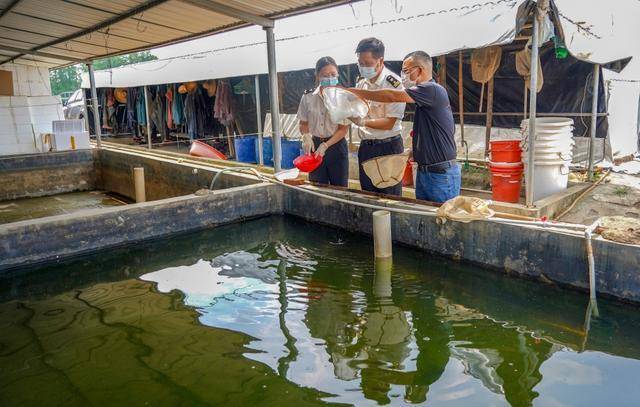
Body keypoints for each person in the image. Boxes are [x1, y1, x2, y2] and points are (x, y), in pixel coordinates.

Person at [349, 51, 459, 203]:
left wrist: (353, 92)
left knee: (441, 220)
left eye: (406, 71)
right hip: (425, 171)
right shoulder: (423, 99)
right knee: (424, 218)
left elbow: (391, 96)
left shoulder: (431, 89)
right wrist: (415, 150)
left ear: (419, 70)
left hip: (439, 174)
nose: (403, 76)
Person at [352, 37, 406, 196]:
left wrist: (363, 122)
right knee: (368, 195)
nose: (363, 68)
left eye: (367, 64)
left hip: (388, 147)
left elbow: (390, 122)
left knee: (389, 197)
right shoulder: (362, 84)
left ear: (380, 60)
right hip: (366, 147)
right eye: (360, 63)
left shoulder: (393, 84)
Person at [297, 56, 349, 187]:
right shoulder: (308, 97)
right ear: (317, 76)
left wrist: (326, 145)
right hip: (315, 147)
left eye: (333, 74)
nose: (330, 78)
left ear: (338, 74)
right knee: (317, 187)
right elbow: (303, 123)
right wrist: (306, 136)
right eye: (325, 75)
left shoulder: (343, 97)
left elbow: (343, 129)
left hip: (336, 146)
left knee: (340, 189)